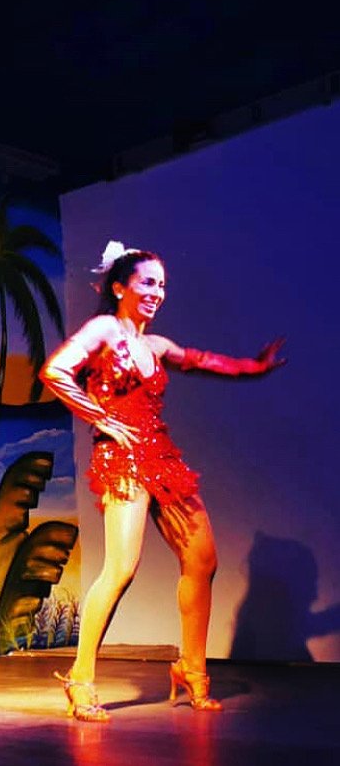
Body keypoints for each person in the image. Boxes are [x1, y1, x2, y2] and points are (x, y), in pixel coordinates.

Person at [39, 240, 283, 722]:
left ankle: (191, 668)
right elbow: (55, 371)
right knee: (121, 568)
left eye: (162, 285)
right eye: (148, 282)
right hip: (123, 456)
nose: (157, 292)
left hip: (161, 455)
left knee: (202, 560)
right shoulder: (104, 329)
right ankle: (81, 678)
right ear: (119, 288)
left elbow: (204, 361)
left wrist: (255, 367)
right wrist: (100, 417)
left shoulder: (156, 346)